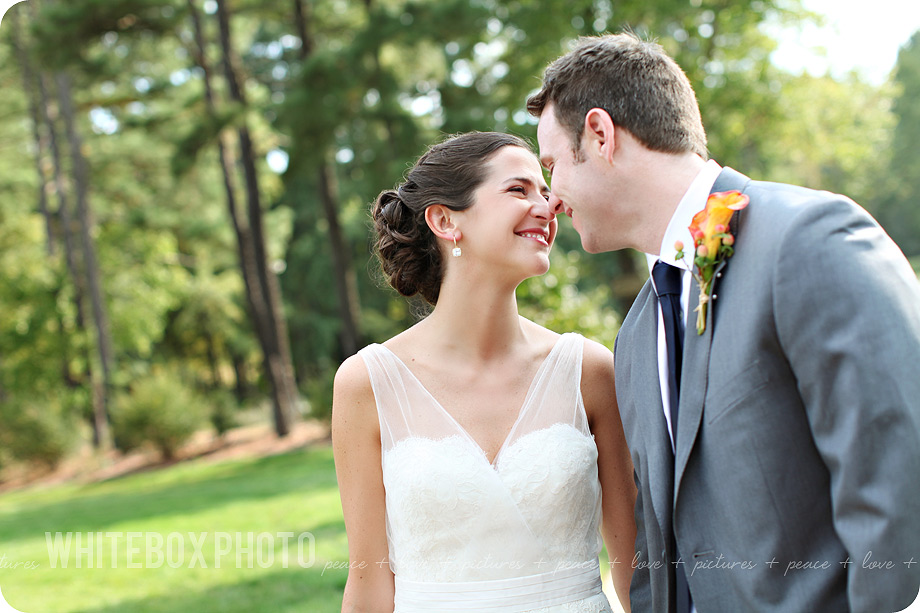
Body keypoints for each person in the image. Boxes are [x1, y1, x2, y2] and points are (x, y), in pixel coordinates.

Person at [528, 33, 920, 613]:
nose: (551, 197)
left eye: (551, 164)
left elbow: (901, 483)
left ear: (601, 135)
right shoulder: (635, 337)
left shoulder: (808, 239)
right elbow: (656, 551)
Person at [331, 131, 638, 612]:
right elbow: (369, 582)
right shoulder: (367, 383)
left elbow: (635, 570)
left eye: (544, 190)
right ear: (445, 220)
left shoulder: (590, 371)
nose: (547, 205)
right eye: (519, 190)